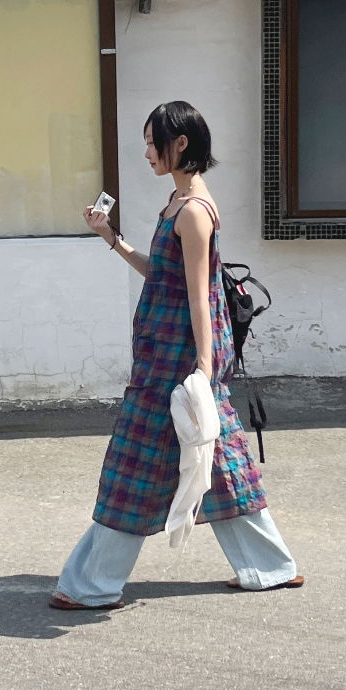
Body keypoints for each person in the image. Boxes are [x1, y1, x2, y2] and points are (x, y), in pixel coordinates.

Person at [50, 100, 303, 611]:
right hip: (162, 352)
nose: (146, 152)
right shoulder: (176, 202)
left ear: (180, 143)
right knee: (219, 458)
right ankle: (270, 567)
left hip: (177, 360)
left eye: (152, 142)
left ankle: (90, 585)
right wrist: (110, 237)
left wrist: (205, 368)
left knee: (134, 463)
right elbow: (161, 275)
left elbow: (199, 294)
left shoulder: (193, 212)